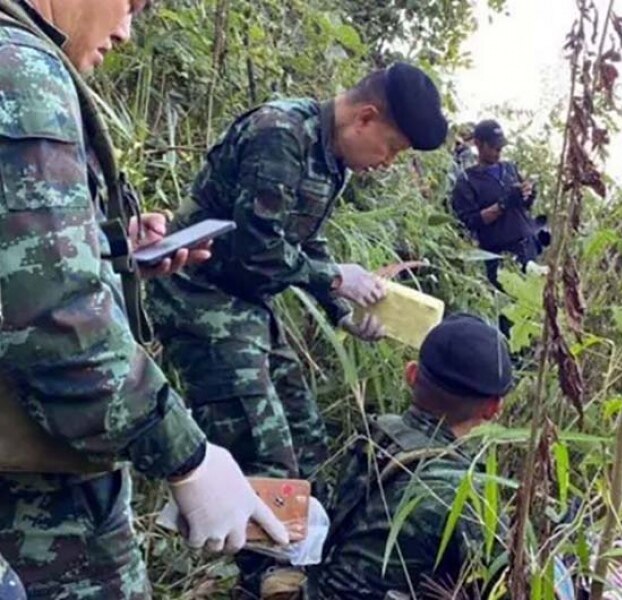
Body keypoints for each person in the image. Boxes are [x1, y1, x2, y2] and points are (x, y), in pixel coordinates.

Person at [0, 0, 290, 598]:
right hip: (37, 497)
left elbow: (22, 270)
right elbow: (55, 325)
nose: (127, 31)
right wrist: (189, 458)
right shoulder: (19, 69)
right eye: (130, 4)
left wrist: (105, 252)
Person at [146, 62, 449, 597]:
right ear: (366, 117)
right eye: (392, 148)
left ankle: (292, 563)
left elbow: (303, 243)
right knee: (265, 454)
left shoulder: (330, 159)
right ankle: (263, 581)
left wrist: (344, 310)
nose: (388, 163)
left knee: (307, 441)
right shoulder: (280, 136)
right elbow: (254, 251)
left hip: (247, 304)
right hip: (200, 297)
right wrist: (335, 278)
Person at [309, 313, 512, 599]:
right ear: (493, 409)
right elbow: (504, 587)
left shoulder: (375, 432)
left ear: (412, 374)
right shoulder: (467, 491)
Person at [451, 119, 547, 290]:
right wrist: (503, 205)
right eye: (494, 147)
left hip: (527, 246)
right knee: (508, 309)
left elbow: (523, 206)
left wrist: (528, 195)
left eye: (501, 147)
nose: (499, 152)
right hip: (501, 257)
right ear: (479, 144)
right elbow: (470, 222)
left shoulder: (509, 168)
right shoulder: (467, 181)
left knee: (532, 305)